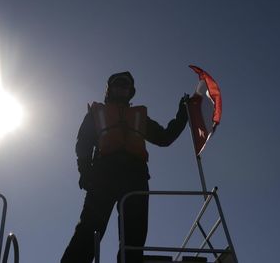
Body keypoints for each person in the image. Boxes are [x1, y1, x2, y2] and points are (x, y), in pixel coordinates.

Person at [61, 71, 188, 263]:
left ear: (131, 91)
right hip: (103, 176)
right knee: (88, 231)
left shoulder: (139, 117)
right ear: (109, 89)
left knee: (134, 238)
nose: (122, 88)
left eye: (126, 86)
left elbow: (164, 137)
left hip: (135, 178)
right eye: (118, 84)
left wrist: (183, 115)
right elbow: (83, 144)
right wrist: (85, 172)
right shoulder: (96, 114)